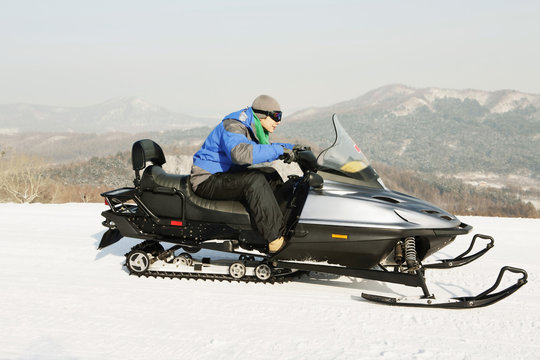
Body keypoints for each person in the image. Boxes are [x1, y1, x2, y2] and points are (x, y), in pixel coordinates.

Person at [190, 95, 295, 253]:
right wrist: (280, 150)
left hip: (224, 174)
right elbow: (240, 154)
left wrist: (292, 148)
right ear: (262, 114)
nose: (278, 121)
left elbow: (264, 148)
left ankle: (284, 224)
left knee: (269, 173)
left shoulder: (252, 126)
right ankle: (275, 240)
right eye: (276, 116)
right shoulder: (234, 125)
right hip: (206, 178)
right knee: (255, 180)